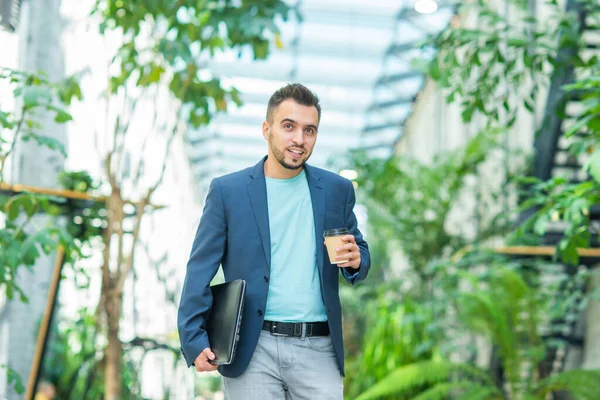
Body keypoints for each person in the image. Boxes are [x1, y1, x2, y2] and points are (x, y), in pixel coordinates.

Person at [177, 83, 370, 399]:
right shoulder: (229, 192)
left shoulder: (337, 190)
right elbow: (200, 268)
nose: (299, 139)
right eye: (289, 126)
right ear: (267, 129)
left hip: (319, 349)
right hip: (252, 347)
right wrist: (193, 338)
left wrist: (357, 259)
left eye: (310, 130)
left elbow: (359, 251)